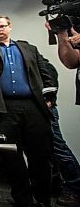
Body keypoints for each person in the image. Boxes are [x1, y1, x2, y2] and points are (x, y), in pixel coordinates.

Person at [0, 15, 54, 207]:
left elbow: (47, 72)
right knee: (11, 158)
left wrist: (49, 98)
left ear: (9, 27)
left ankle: (43, 198)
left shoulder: (28, 48)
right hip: (1, 108)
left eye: (1, 26)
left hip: (33, 107)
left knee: (40, 155)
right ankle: (22, 199)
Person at [42, 60, 80, 207]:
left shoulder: (41, 63)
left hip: (46, 112)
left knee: (59, 150)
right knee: (46, 152)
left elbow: (51, 76)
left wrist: (49, 99)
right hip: (34, 112)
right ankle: (58, 186)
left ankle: (74, 190)